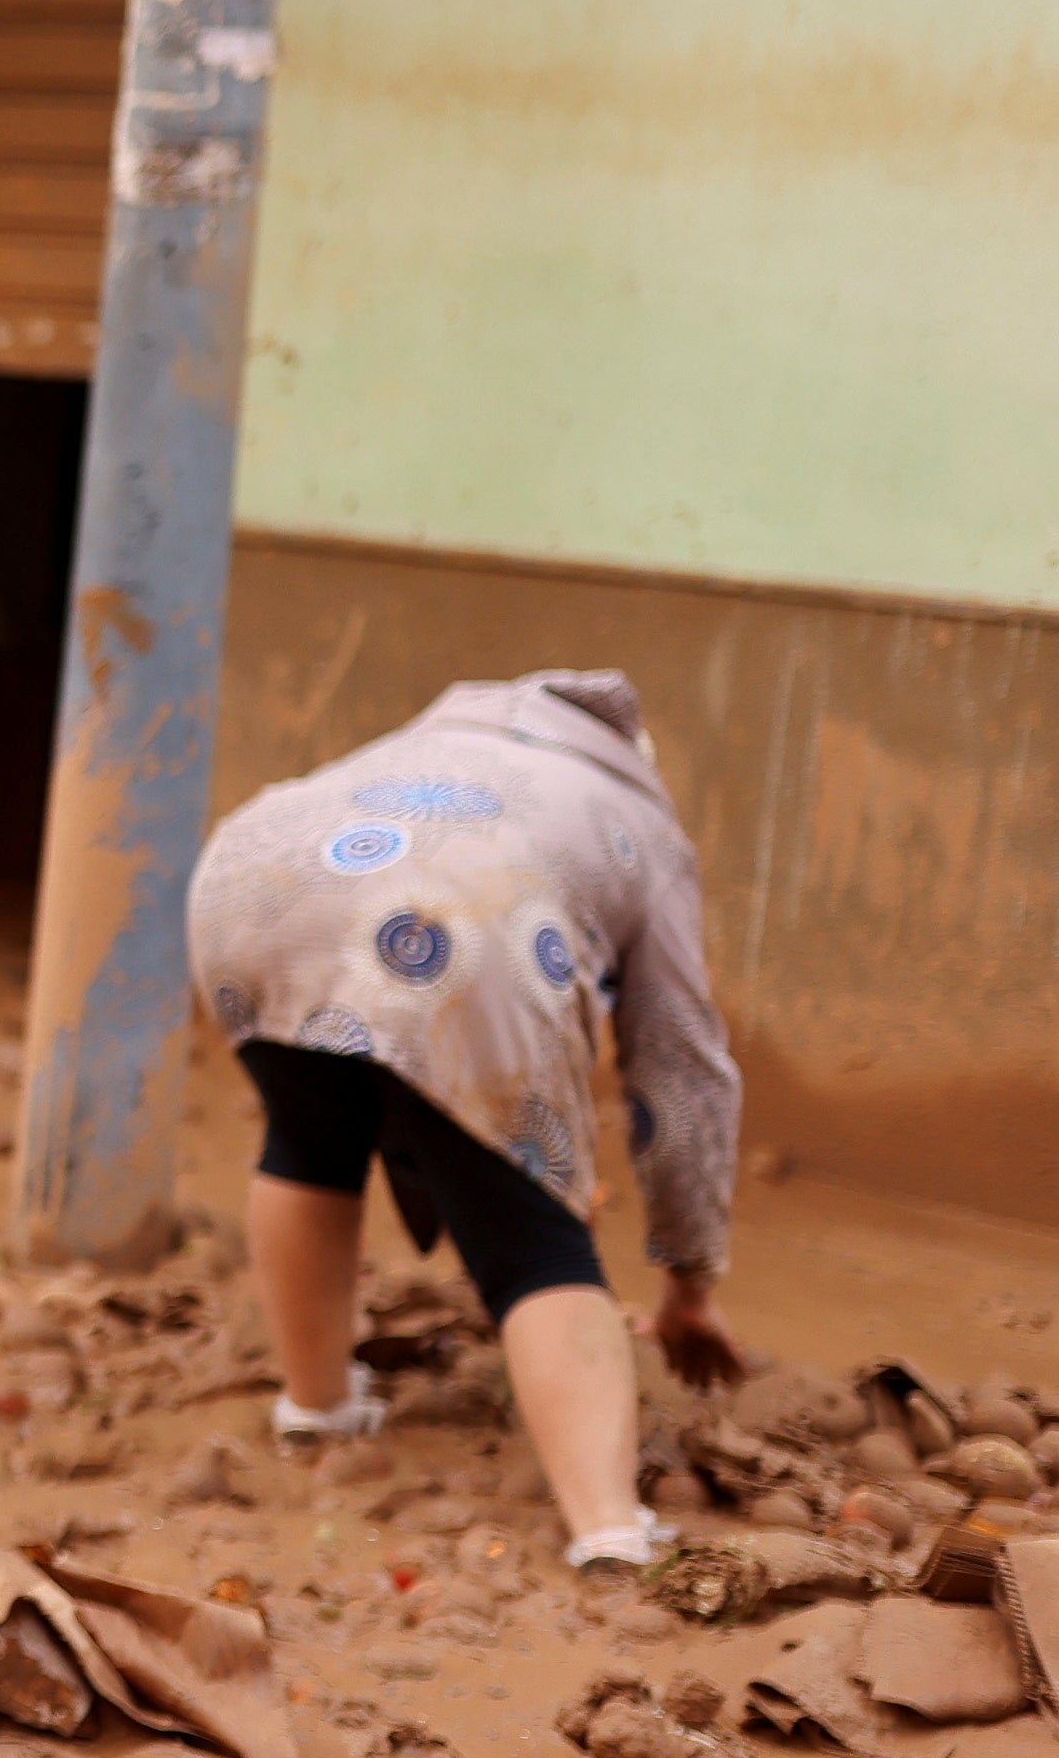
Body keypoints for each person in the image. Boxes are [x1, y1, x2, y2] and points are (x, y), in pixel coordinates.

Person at [187, 669, 747, 1571]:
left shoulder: (426, 744)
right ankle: (609, 1532)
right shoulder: (640, 821)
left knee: (307, 1139)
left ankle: (317, 1406)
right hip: (455, 928)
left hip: (252, 881)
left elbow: (400, 1085)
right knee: (532, 1241)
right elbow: (680, 1071)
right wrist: (690, 1278)